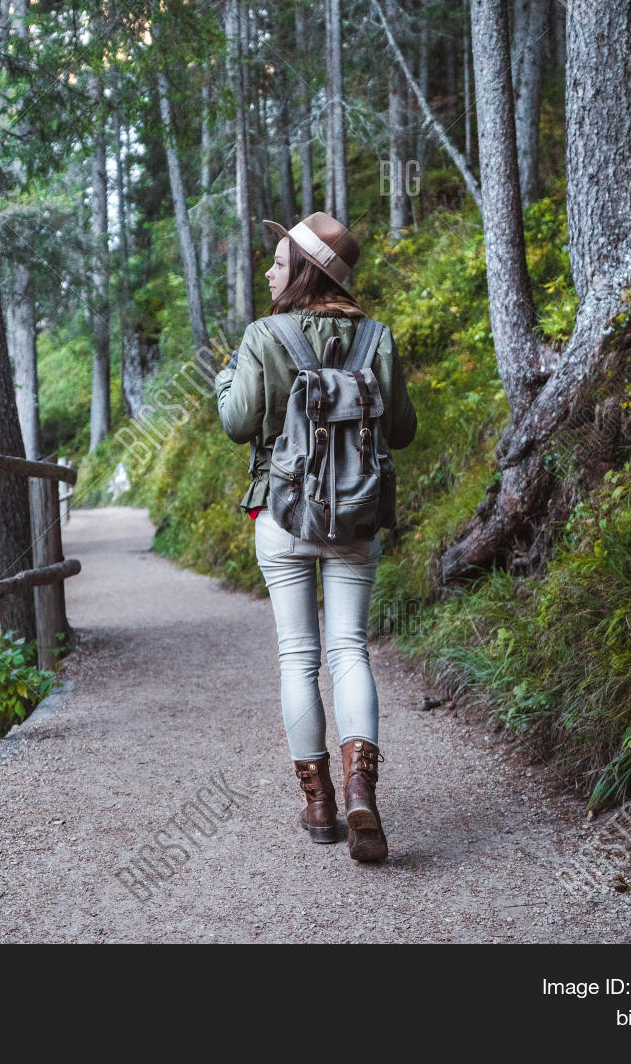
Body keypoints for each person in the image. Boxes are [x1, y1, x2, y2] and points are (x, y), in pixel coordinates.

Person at [214, 212, 417, 863]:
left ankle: (321, 802)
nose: (268, 272)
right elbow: (403, 430)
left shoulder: (264, 335)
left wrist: (226, 379)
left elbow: (237, 422)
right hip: (355, 515)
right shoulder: (377, 337)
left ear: (305, 272)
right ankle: (362, 789)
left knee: (298, 657)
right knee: (350, 648)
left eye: (279, 262)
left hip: (282, 514)